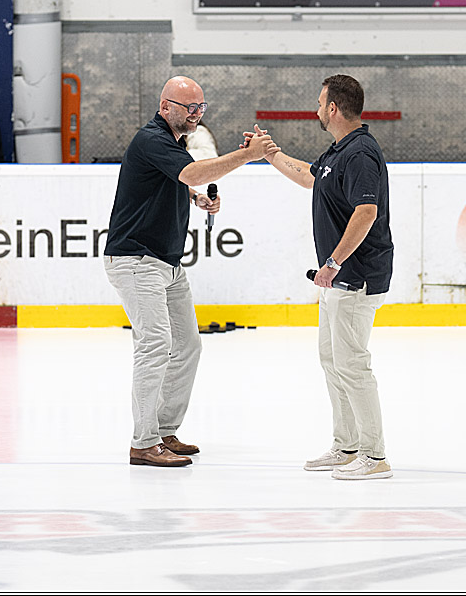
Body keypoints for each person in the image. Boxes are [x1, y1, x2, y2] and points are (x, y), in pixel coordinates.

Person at [104, 75, 278, 468]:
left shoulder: (173, 143)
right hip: (136, 260)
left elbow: (181, 180)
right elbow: (194, 172)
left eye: (201, 107)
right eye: (190, 108)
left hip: (167, 262)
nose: (197, 114)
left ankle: (164, 430)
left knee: (187, 346)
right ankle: (143, 442)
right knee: (154, 345)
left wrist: (196, 198)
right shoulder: (152, 138)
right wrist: (245, 157)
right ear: (165, 106)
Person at [245, 74, 394, 480]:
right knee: (333, 361)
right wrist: (270, 154)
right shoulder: (338, 151)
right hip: (337, 277)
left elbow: (367, 213)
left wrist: (333, 262)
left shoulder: (361, 153)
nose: (315, 108)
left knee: (352, 363)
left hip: (355, 275)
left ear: (333, 108)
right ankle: (347, 445)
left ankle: (375, 455)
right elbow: (312, 178)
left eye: (319, 102)